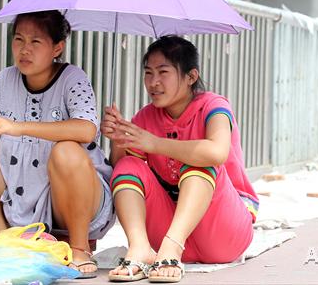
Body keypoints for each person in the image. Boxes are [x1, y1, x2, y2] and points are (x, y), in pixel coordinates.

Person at [0, 10, 114, 277]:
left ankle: (80, 249)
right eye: (19, 40)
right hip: (20, 189)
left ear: (57, 47)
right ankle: (8, 246)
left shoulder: (73, 78)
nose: (25, 50)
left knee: (67, 150)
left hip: (69, 198)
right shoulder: (5, 79)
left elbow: (86, 129)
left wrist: (18, 126)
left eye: (35, 42)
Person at [102, 36, 258, 283]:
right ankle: (141, 248)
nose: (153, 82)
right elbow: (121, 170)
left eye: (163, 72)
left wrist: (154, 144)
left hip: (222, 231)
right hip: (165, 233)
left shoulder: (213, 106)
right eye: (148, 73)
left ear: (191, 77)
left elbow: (217, 153)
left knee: (200, 162)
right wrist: (117, 138)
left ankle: (173, 247)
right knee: (128, 165)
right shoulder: (146, 117)